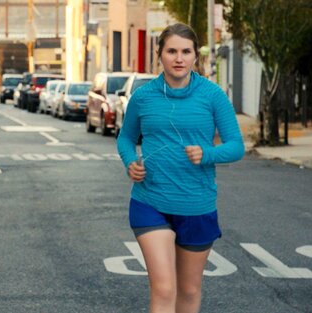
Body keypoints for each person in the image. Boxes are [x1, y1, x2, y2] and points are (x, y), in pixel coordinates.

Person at [117, 23, 245, 313]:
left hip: (197, 204)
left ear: (195, 57)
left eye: (186, 52)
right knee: (163, 289)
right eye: (171, 51)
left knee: (188, 291)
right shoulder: (143, 97)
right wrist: (130, 162)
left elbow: (236, 146)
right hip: (150, 202)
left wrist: (208, 154)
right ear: (159, 55)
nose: (179, 58)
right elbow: (125, 138)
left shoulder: (212, 96)